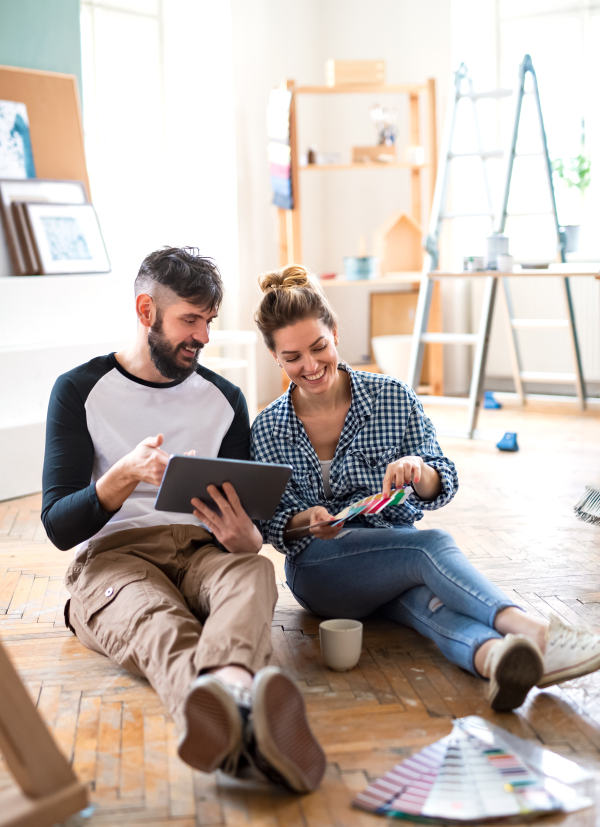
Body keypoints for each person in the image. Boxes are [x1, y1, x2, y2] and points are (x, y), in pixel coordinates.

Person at [249, 265, 600, 712]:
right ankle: (539, 634)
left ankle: (495, 659)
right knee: (429, 546)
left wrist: (419, 470)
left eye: (319, 347)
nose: (311, 365)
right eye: (293, 357)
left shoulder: (392, 397)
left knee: (426, 604)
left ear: (335, 333)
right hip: (321, 571)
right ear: (276, 358)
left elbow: (443, 478)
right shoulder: (267, 428)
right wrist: (306, 521)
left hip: (393, 553)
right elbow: (273, 524)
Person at [42, 247, 325, 794]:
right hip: (115, 557)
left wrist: (247, 539)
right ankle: (246, 719)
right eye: (189, 320)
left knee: (254, 574)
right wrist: (120, 477)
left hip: (203, 548)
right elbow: (58, 526)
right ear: (146, 311)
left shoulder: (224, 399)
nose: (203, 336)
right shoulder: (79, 391)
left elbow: (246, 525)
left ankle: (232, 707)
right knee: (159, 622)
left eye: (209, 321)